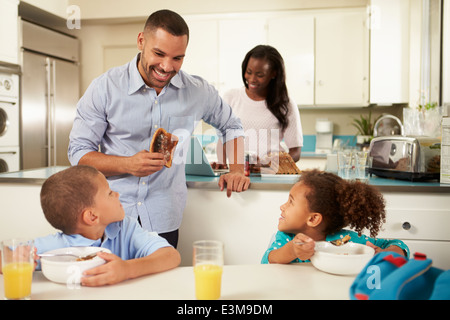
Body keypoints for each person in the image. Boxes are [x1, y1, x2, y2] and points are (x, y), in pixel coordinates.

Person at [68, 10, 250, 248]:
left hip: (164, 218)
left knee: (162, 285)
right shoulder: (105, 88)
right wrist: (127, 164)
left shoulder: (198, 91)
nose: (166, 67)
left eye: (178, 58)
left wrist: (236, 169)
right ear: (141, 41)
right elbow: (78, 154)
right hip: (109, 217)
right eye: (159, 54)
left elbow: (232, 126)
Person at [2, 165, 180, 287]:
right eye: (110, 193)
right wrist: (15, 258)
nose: (118, 194)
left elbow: (171, 256)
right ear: (92, 216)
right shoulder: (55, 248)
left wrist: (127, 270)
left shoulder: (126, 229)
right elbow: (6, 256)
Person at [261, 169, 409, 264]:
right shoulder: (287, 238)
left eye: (290, 202)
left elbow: (399, 245)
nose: (282, 206)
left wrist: (385, 253)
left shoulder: (347, 241)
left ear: (313, 219)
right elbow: (269, 260)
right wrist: (292, 251)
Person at [214, 45, 303, 170]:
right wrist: (221, 163)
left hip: (270, 175)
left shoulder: (286, 104)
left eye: (260, 75)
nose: (252, 79)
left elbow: (296, 153)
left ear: (274, 74)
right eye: (248, 72)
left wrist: (267, 164)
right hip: (238, 174)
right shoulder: (231, 97)